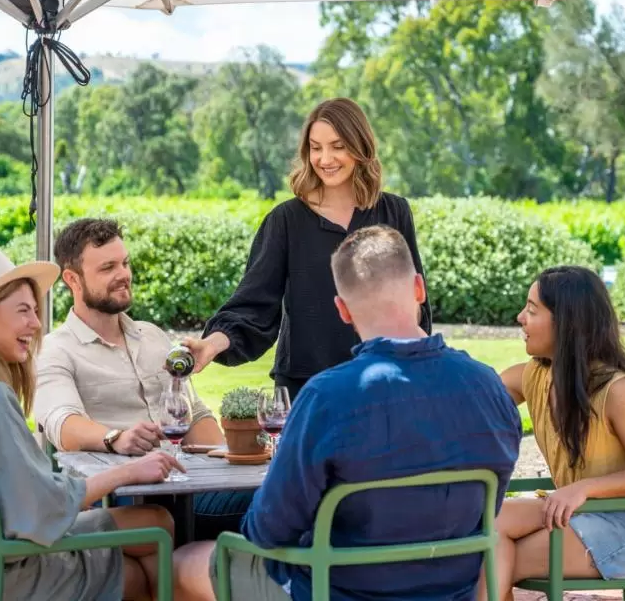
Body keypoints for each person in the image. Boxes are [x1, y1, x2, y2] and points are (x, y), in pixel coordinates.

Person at [172, 225, 522, 601]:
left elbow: (268, 532)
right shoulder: (488, 386)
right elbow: (489, 506)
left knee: (184, 560)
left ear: (341, 309)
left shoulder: (327, 395)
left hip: (335, 589)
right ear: (419, 288)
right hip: (453, 590)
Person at [0, 248, 182, 601]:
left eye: (35, 311)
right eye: (23, 312)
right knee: (145, 553)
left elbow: (9, 493)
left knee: (154, 521)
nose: (36, 324)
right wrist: (125, 473)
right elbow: (33, 510)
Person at [182, 98, 432, 400]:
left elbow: (416, 303)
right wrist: (211, 344)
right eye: (316, 148)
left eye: (338, 146)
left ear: (360, 146)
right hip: (307, 388)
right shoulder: (285, 221)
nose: (325, 158)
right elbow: (253, 306)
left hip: (387, 380)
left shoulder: (394, 212)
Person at [35, 218, 252, 538]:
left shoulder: (153, 337)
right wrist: (116, 438)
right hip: (121, 499)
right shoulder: (56, 350)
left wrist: (233, 458)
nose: (123, 274)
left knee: (289, 490)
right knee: (280, 504)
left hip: (187, 488)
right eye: (108, 267)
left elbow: (195, 417)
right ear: (72, 280)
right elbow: (63, 424)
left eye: (125, 263)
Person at [478, 266, 625, 601]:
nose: (520, 317)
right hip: (575, 511)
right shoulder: (536, 376)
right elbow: (476, 399)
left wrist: (582, 489)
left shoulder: (617, 391)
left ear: (566, 322)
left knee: (487, 557)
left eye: (532, 310)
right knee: (487, 524)